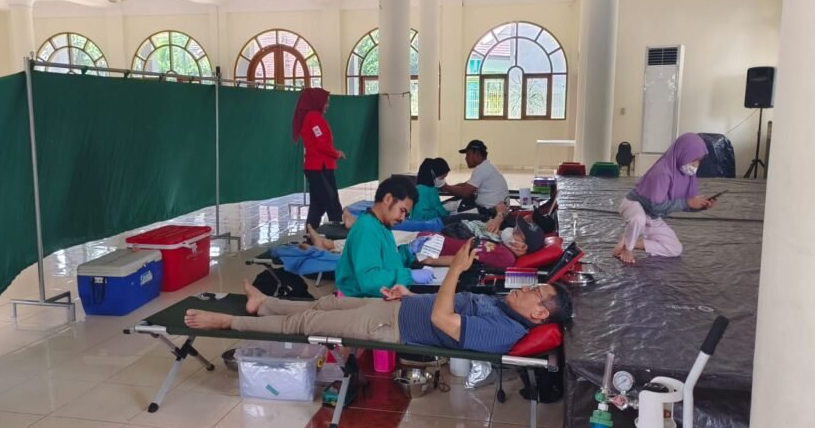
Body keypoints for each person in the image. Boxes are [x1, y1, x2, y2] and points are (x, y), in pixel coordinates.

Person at [184, 239, 573, 355]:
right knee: (324, 303)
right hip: (398, 306)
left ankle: (229, 322)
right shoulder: (504, 307)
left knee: (307, 324)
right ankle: (262, 304)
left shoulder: (501, 332)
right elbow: (447, 304)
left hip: (388, 325)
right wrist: (409, 292)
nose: (523, 287)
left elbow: (442, 321)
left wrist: (454, 269)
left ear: (539, 315)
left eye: (533, 291)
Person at [306, 214, 547, 270]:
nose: (511, 231)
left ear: (522, 247)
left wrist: (432, 260)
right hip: (428, 241)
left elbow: (465, 261)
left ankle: (327, 247)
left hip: (426, 250)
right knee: (380, 237)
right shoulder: (504, 246)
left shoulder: (505, 256)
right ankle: (329, 245)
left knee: (377, 244)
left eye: (517, 232)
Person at [613, 133, 715, 264]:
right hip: (634, 204)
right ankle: (628, 248)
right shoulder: (662, 172)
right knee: (638, 219)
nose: (696, 164)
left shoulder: (684, 174)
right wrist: (687, 202)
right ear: (683, 153)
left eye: (699, 160)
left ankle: (628, 240)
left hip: (652, 215)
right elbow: (656, 205)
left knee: (675, 249)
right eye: (693, 159)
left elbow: (681, 204)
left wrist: (701, 205)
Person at [335, 176, 436, 297]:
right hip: (361, 301)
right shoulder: (366, 228)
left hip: (380, 296)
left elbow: (388, 263)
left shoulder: (382, 225)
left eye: (406, 214)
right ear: (388, 199)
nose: (403, 218)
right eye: (402, 210)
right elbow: (369, 279)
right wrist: (410, 275)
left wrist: (408, 251)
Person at [292, 88, 346, 229]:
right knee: (332, 203)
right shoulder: (314, 118)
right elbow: (321, 143)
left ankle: (311, 234)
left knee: (317, 205)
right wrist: (336, 153)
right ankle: (338, 237)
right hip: (319, 168)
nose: (327, 106)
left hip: (316, 167)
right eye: (326, 102)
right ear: (317, 102)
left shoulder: (312, 117)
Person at [441, 140, 510, 217]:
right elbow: (466, 185)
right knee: (459, 201)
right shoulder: (486, 166)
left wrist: (444, 186)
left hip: (490, 213)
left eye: (468, 155)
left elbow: (465, 192)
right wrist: (448, 187)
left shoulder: (482, 169)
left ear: (477, 154)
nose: (466, 158)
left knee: (450, 213)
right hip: (492, 209)